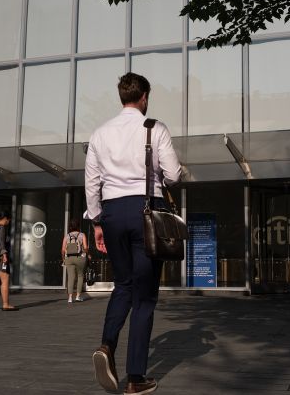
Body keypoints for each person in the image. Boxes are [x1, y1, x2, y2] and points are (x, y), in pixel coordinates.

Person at [86, 72, 181, 395]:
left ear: (121, 97)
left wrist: (97, 222)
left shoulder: (100, 133)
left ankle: (107, 345)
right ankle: (136, 378)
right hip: (146, 212)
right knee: (144, 297)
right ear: (144, 98)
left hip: (112, 214)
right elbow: (173, 174)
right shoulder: (154, 128)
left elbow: (91, 183)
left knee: (123, 284)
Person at [63, 219, 89, 304]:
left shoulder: (67, 236)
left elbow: (63, 249)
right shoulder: (82, 235)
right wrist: (87, 254)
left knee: (70, 277)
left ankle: (70, 298)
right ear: (78, 226)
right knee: (80, 275)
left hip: (69, 258)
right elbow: (85, 247)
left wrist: (63, 258)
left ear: (70, 227)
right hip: (80, 258)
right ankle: (78, 296)